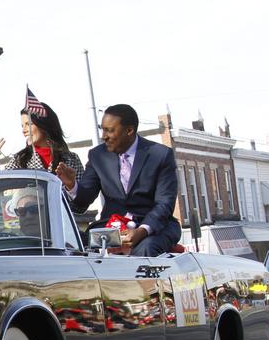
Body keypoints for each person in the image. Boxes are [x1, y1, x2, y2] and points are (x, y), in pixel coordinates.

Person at [57, 104, 181, 257]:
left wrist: (142, 231)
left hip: (153, 227)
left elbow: (164, 203)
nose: (104, 136)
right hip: (110, 228)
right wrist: (72, 185)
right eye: (102, 129)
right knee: (74, 246)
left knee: (145, 249)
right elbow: (83, 202)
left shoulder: (160, 155)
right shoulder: (98, 156)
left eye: (109, 130)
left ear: (129, 130)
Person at [0, 88, 84, 180]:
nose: (24, 130)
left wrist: (71, 185)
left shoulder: (71, 159)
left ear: (43, 125)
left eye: (28, 124)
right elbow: (2, 186)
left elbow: (82, 196)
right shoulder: (20, 160)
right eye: (22, 126)